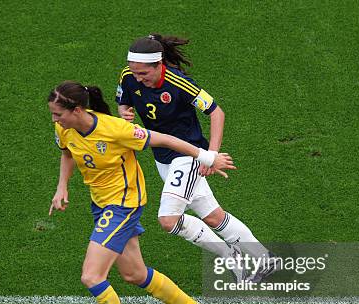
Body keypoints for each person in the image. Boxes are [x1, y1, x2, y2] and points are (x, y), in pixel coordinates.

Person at [47, 81, 235, 304]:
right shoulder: (65, 130)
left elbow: (167, 140)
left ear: (78, 110)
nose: (55, 120)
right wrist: (61, 187)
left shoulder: (117, 130)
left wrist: (206, 156)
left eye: (59, 114)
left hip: (123, 204)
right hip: (102, 205)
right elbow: (67, 152)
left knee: (92, 276)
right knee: (134, 274)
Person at [116, 33, 277, 283]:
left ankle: (230, 257)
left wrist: (210, 155)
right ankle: (263, 258)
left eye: (143, 74)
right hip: (163, 159)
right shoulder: (128, 76)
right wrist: (125, 113)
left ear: (159, 65)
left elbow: (216, 112)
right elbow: (124, 103)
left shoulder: (179, 83)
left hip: (188, 156)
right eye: (134, 73)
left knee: (168, 220)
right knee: (213, 216)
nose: (138, 79)